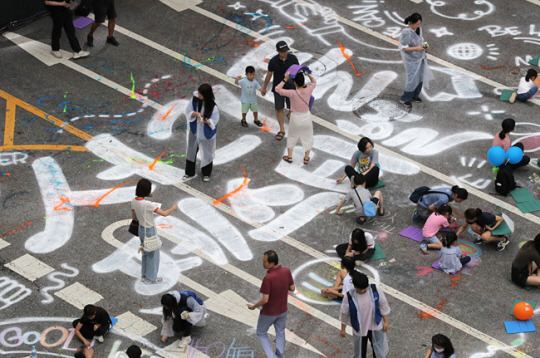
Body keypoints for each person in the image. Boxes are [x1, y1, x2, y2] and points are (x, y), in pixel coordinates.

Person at [247, 250, 295, 358]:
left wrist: (253, 306)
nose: (263, 263)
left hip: (269, 312)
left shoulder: (268, 278)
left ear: (272, 263)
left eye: (265, 262)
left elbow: (265, 300)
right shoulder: (286, 271)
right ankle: (280, 354)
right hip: (283, 310)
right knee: (280, 332)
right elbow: (292, 288)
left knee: (261, 333)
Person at [131, 179, 178, 283]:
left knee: (145, 252)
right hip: (149, 231)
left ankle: (144, 274)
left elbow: (134, 217)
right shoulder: (148, 204)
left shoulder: (134, 201)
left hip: (141, 230)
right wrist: (173, 208)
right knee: (153, 255)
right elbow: (165, 213)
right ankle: (151, 278)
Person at [340, 271, 390, 358]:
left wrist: (386, 321)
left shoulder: (375, 289)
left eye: (365, 289)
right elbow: (344, 314)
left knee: (378, 349)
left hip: (375, 325)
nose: (363, 291)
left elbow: (383, 304)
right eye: (361, 290)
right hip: (360, 329)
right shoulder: (349, 297)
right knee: (360, 352)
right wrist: (343, 329)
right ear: (355, 287)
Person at [276, 71, 317, 164]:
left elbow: (277, 89)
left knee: (292, 137)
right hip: (306, 117)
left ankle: (290, 157)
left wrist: (285, 79)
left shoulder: (292, 93)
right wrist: (308, 75)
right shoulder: (309, 90)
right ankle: (306, 158)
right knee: (308, 137)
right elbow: (314, 82)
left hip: (295, 118)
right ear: (303, 82)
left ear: (294, 83)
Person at [261, 41, 299, 141]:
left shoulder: (293, 59)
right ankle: (282, 129)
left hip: (290, 87)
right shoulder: (273, 61)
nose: (285, 53)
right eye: (282, 51)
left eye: (286, 51)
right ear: (278, 51)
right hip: (278, 88)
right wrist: (264, 87)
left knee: (292, 109)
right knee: (279, 108)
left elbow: (297, 73)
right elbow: (269, 74)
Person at [183, 84, 219, 182]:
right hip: (195, 130)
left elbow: (215, 120)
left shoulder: (213, 107)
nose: (199, 95)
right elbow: (188, 111)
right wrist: (194, 114)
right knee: (191, 151)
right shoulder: (194, 101)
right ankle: (189, 172)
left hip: (206, 133)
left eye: (201, 94)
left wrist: (207, 121)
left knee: (207, 153)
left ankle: (206, 173)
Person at [399, 13, 433, 108]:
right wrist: (417, 48)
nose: (419, 26)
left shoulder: (419, 29)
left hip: (420, 57)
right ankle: (405, 98)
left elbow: (420, 39)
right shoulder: (406, 32)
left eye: (420, 24)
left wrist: (424, 45)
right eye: (417, 24)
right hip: (411, 60)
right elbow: (403, 47)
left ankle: (414, 96)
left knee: (420, 77)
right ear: (412, 23)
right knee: (412, 79)